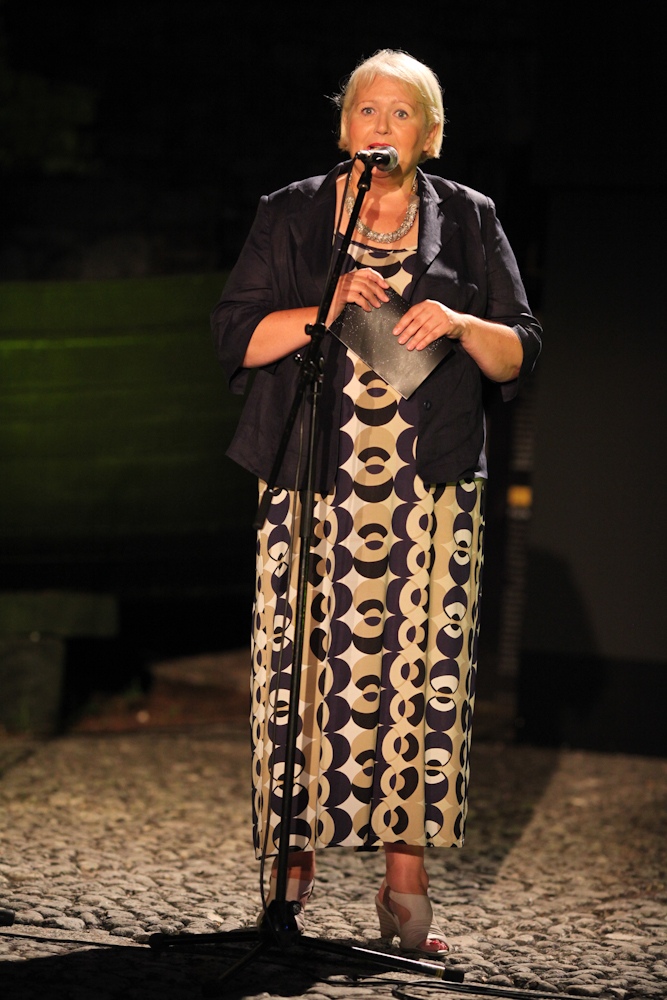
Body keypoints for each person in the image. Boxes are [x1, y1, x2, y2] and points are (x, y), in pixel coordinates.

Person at [211, 49, 541, 955]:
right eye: (367, 110)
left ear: (429, 136)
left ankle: (404, 881)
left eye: (401, 114)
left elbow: (520, 350)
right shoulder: (291, 214)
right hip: (310, 483)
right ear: (343, 126)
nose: (381, 127)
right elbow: (236, 336)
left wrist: (462, 324)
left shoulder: (468, 217)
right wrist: (321, 310)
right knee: (300, 672)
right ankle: (291, 864)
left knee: (418, 681)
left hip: (426, 494)